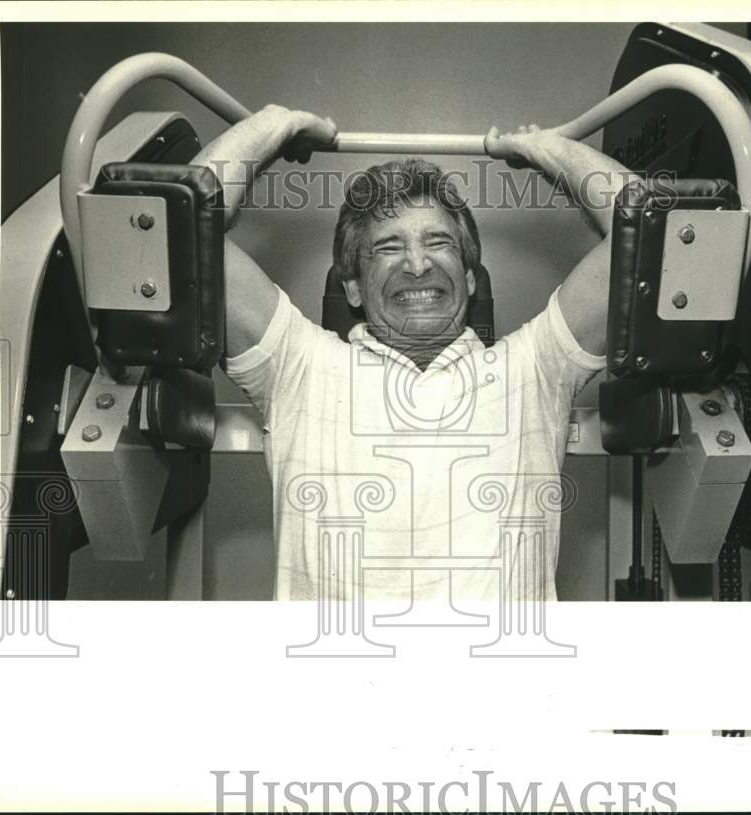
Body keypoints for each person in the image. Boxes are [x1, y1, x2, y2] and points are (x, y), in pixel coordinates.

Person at [193, 106, 629, 602]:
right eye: (388, 248)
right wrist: (276, 125)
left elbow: (658, 237)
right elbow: (179, 228)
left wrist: (547, 151)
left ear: (469, 275)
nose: (417, 265)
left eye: (438, 242)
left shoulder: (534, 366)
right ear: (352, 287)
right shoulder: (299, 366)